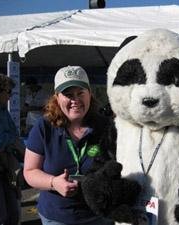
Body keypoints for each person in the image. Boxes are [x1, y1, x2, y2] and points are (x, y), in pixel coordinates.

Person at [23, 66, 113, 225]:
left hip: (99, 216)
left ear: (90, 94)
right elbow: (30, 171)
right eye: (68, 95)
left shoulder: (106, 127)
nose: (75, 100)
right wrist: (53, 183)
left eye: (80, 93)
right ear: (57, 97)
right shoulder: (44, 127)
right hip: (57, 217)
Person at [0, 73, 25, 225]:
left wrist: (8, 137)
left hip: (5, 167)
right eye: (8, 92)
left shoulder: (2, 110)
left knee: (13, 213)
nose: (10, 96)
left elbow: (14, 134)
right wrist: (10, 138)